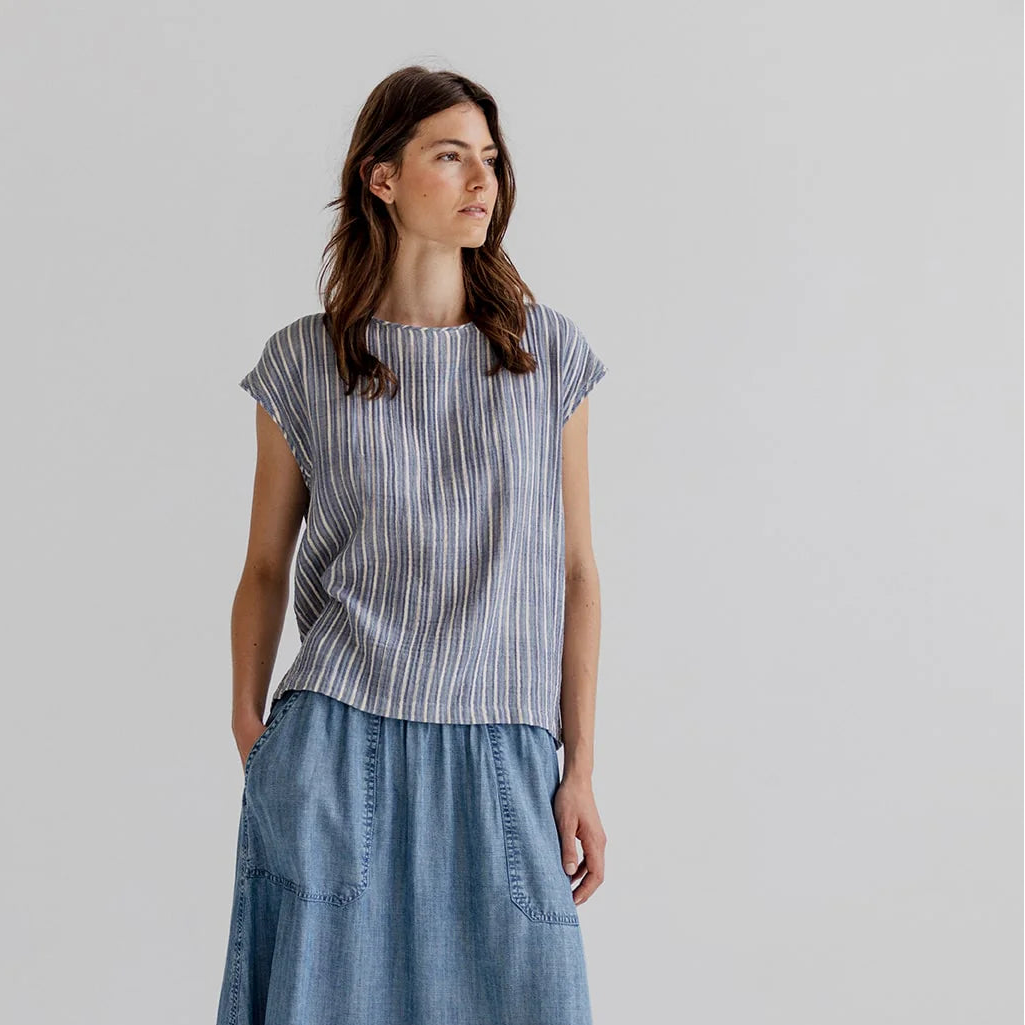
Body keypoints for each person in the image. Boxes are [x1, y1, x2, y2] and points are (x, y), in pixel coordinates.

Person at [216, 65, 608, 1025]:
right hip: (338, 737)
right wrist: (249, 729)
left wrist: (581, 767)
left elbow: (575, 571)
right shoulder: (305, 361)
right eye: (450, 156)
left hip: (505, 745)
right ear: (381, 178)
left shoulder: (545, 353)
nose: (484, 181)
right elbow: (265, 565)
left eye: (491, 159)